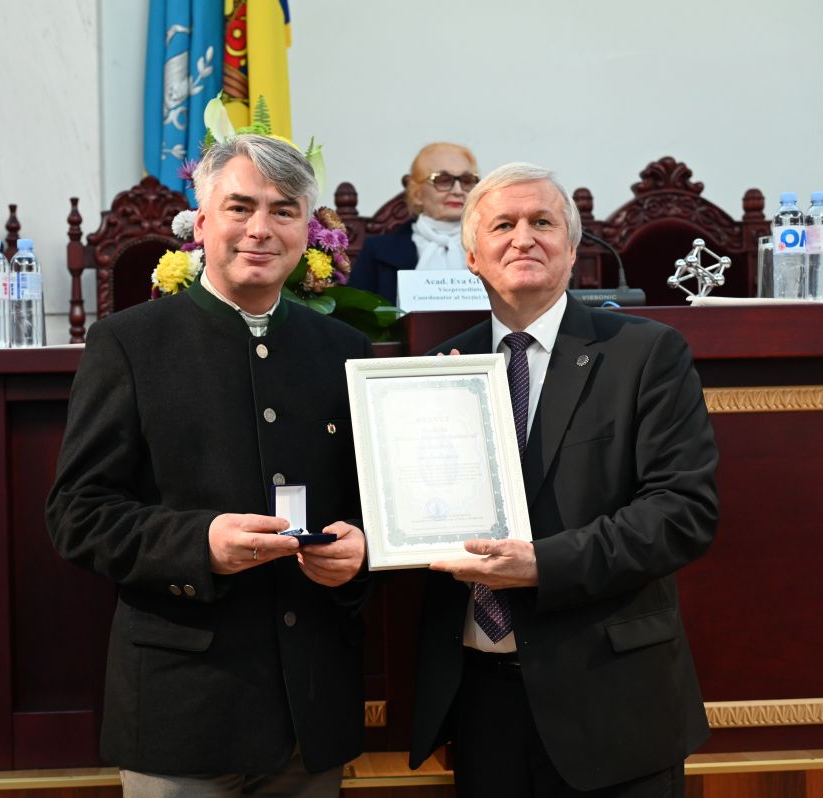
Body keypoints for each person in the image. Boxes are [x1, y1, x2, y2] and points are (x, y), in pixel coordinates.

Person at [46, 134, 372, 798]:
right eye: (240, 207)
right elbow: (76, 514)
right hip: (182, 709)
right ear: (200, 224)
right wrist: (201, 543)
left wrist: (362, 550)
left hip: (310, 710)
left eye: (283, 211)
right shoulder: (129, 343)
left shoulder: (344, 348)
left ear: (306, 231)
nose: (261, 229)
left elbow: (374, 502)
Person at [409, 162, 719, 797]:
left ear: (572, 250)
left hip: (612, 701)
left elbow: (682, 512)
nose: (523, 237)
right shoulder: (441, 370)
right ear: (472, 256)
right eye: (503, 225)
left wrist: (541, 566)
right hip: (481, 704)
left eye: (543, 222)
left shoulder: (646, 353)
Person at [350, 142, 479, 304]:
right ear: (417, 194)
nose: (458, 191)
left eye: (466, 180)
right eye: (443, 180)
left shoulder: (494, 247)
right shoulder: (377, 251)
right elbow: (354, 316)